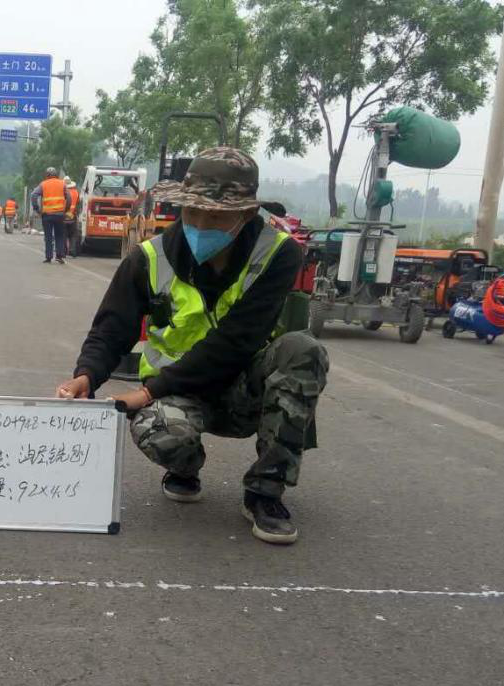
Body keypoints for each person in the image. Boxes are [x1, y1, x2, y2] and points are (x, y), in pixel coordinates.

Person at [54, 147, 329, 545]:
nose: (200, 224)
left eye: (215, 216)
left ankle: (266, 491)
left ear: (247, 214)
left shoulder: (278, 254)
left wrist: (147, 391)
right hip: (180, 396)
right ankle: (184, 466)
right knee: (157, 429)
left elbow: (238, 340)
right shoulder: (149, 257)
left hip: (247, 392)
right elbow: (112, 328)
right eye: (192, 212)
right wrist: (86, 374)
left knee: (304, 349)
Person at [31, 167, 72, 263]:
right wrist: (66, 209)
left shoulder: (43, 184)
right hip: (59, 215)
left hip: (47, 215)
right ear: (56, 175)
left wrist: (36, 208)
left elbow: (33, 195)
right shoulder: (62, 183)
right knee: (59, 236)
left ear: (47, 175)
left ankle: (48, 257)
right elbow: (69, 198)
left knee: (48, 236)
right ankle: (59, 256)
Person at [63, 177, 81, 257]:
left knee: (63, 234)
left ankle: (63, 251)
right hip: (73, 216)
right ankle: (72, 251)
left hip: (64, 216)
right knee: (73, 235)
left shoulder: (63, 192)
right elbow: (78, 204)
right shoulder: (76, 192)